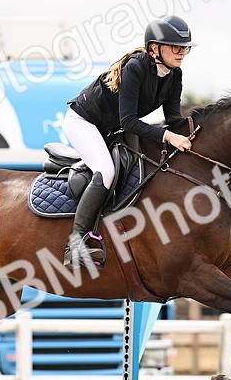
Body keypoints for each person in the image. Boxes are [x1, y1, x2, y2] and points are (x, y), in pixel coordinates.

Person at [61, 15, 196, 269]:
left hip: (111, 128)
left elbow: (174, 120)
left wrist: (196, 130)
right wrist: (168, 136)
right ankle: (76, 242)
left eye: (185, 48)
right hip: (84, 122)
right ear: (155, 48)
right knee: (107, 171)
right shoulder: (135, 68)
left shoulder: (174, 75)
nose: (181, 53)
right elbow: (130, 122)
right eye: (175, 47)